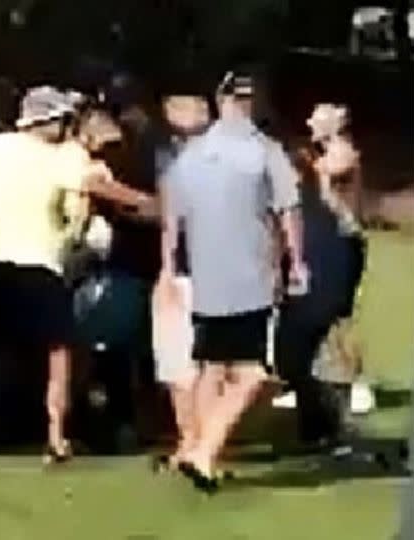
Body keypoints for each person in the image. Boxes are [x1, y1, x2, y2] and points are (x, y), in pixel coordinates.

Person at [0, 86, 152, 463]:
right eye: (61, 119)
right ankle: (56, 437)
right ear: (43, 121)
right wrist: (148, 202)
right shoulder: (61, 158)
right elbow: (101, 187)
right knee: (59, 352)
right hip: (38, 264)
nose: (66, 127)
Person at [160, 70, 307, 491]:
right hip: (250, 276)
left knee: (212, 367)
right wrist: (297, 261)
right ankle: (205, 454)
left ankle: (200, 447)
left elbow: (172, 213)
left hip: (206, 276)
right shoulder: (265, 151)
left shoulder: (192, 154)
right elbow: (289, 208)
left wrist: (168, 267)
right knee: (252, 373)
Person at [276, 103, 369, 453]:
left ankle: (342, 396)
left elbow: (329, 177)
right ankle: (315, 413)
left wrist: (303, 164)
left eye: (317, 118)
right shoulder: (315, 157)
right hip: (321, 245)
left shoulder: (343, 153)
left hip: (339, 247)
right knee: (304, 337)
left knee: (332, 323)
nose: (308, 122)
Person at [149, 75, 212, 471]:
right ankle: (192, 441)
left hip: (208, 271)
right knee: (178, 364)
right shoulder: (170, 158)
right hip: (188, 270)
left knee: (197, 362)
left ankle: (200, 442)